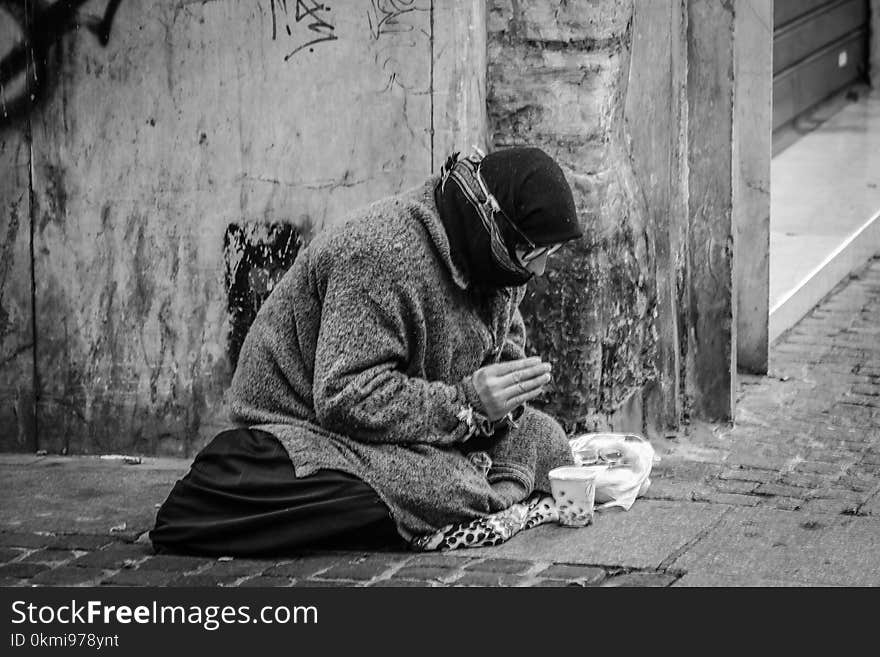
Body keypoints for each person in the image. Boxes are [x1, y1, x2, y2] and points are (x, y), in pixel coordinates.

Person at [150, 146, 584, 556]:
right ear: (493, 228)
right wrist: (467, 405)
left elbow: (503, 342)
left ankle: (458, 480)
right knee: (444, 488)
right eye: (534, 252)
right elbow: (345, 396)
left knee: (544, 439)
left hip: (418, 420)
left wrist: (500, 401)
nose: (539, 269)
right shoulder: (377, 254)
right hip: (303, 424)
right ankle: (247, 481)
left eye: (548, 254)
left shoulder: (501, 257)